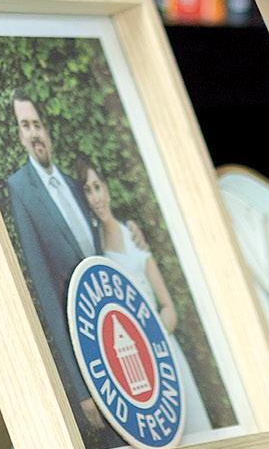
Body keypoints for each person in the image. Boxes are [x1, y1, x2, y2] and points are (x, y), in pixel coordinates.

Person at [1, 92, 119, 449]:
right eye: (25, 126)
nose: (34, 133)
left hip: (112, 333)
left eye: (37, 124)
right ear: (18, 135)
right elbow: (45, 291)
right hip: (81, 347)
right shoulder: (20, 189)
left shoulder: (72, 184)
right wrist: (81, 390)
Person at [75, 157, 215, 434]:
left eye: (97, 187)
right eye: (87, 192)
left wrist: (154, 339)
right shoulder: (94, 251)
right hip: (133, 360)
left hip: (162, 347)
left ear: (107, 189)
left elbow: (167, 306)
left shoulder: (132, 235)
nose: (95, 198)